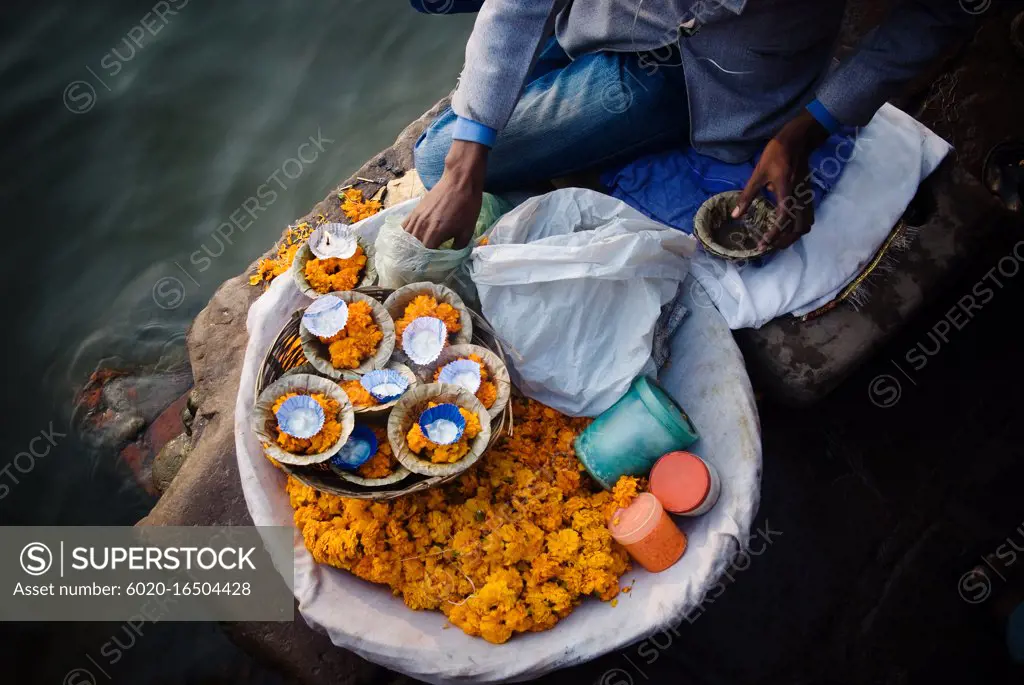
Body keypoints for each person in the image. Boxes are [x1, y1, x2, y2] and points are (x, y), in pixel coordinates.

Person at [404, 0, 974, 251]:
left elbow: (938, 16)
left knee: (432, 157)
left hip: (707, 78)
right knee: (451, 157)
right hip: (601, 18)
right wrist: (466, 163)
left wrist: (809, 126)